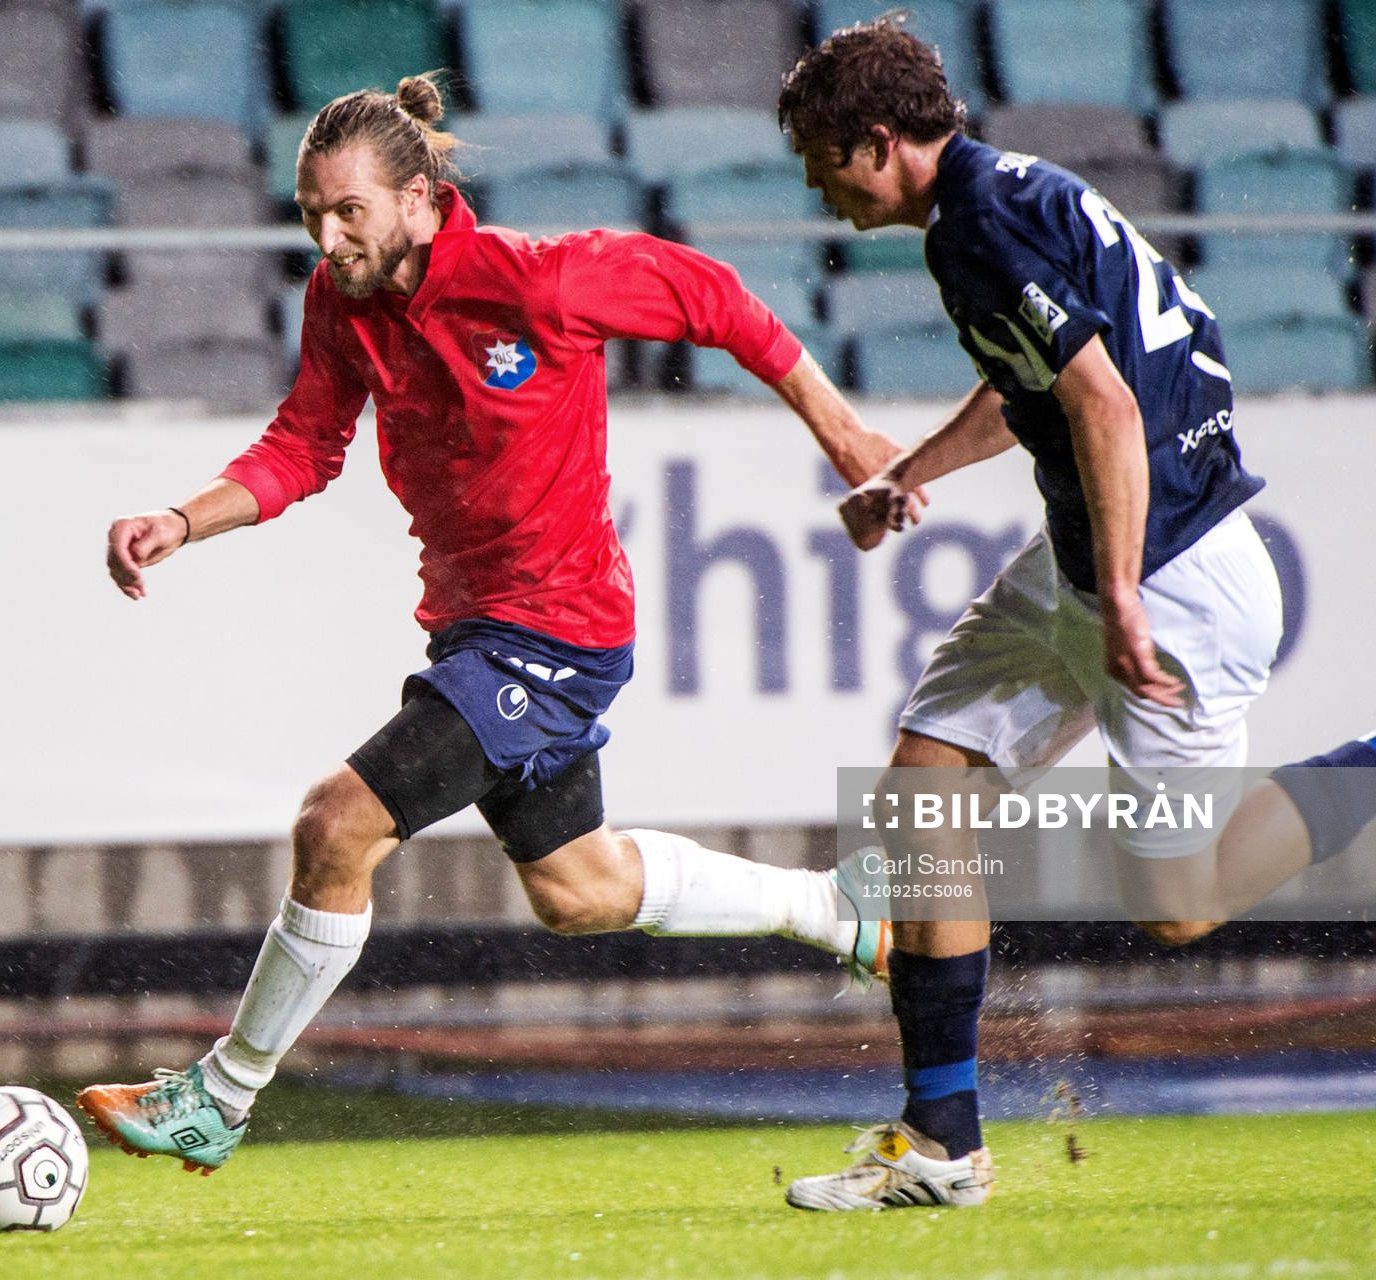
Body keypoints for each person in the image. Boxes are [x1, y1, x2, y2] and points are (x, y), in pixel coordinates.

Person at [773, 15, 1376, 1212]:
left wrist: (1126, 596)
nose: (818, 185)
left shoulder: (977, 225)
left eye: (823, 158)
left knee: (1180, 903)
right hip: (1099, 557)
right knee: (921, 790)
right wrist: (914, 469)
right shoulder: (1013, 192)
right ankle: (941, 1140)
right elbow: (1044, 382)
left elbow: (1104, 408)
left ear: (879, 143)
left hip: (1173, 578)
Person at [75, 75, 917, 1174]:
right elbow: (302, 446)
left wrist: (847, 435)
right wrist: (184, 519)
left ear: (421, 199)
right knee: (581, 888)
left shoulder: (543, 277)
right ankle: (839, 908)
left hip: (556, 629)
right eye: (311, 216)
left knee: (337, 823)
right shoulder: (344, 304)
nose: (328, 239)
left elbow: (719, 301)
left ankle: (222, 1095)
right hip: (476, 632)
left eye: (349, 213)